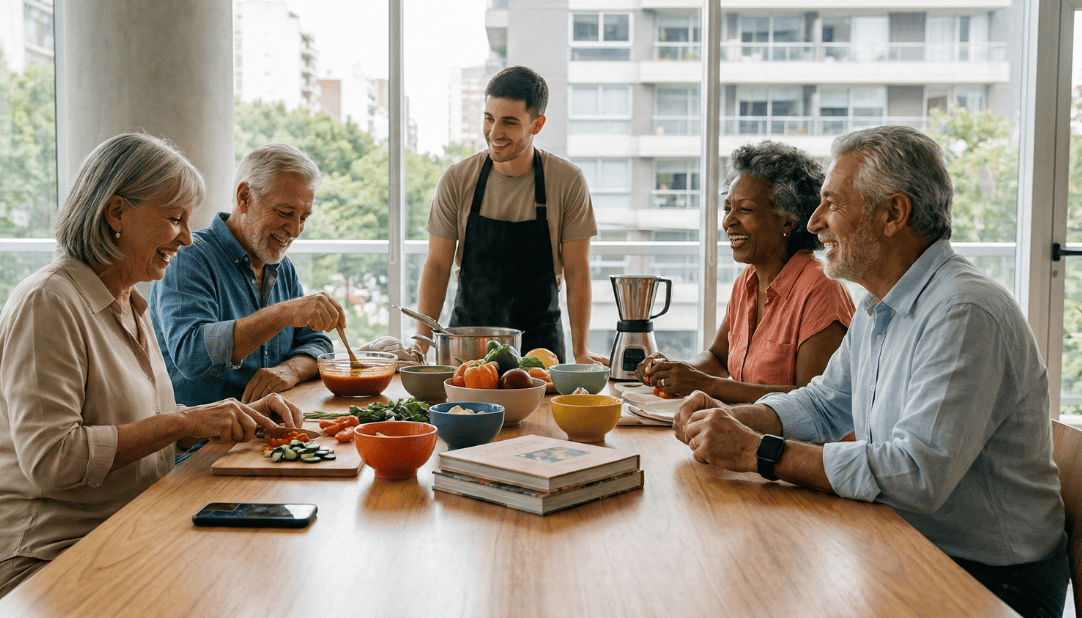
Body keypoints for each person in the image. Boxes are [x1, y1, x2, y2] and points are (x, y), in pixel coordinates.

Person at [675, 125, 1068, 618]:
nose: (814, 222)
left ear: (893, 214)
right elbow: (825, 401)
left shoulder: (963, 311)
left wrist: (759, 451)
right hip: (904, 540)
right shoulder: (879, 305)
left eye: (832, 203)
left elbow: (915, 474)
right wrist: (739, 417)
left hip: (990, 581)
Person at [0, 133, 304, 614]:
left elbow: (145, 420)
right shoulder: (48, 303)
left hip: (124, 526)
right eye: (174, 218)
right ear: (116, 212)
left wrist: (223, 415)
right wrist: (183, 424)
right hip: (39, 556)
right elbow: (52, 459)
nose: (187, 238)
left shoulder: (128, 301)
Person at [637, 141, 855, 404]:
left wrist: (703, 384)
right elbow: (718, 358)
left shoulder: (821, 288)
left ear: (788, 219)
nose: (728, 221)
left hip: (796, 444)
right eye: (728, 209)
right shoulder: (747, 282)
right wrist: (673, 371)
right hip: (747, 432)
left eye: (745, 209)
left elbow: (813, 402)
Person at [416, 66, 606, 364]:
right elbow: (438, 266)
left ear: (537, 124)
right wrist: (421, 346)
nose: (494, 133)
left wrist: (581, 350)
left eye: (509, 122)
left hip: (540, 347)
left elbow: (577, 270)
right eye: (489, 118)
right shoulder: (457, 179)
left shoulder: (567, 181)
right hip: (467, 345)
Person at [149, 143, 344, 406]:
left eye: (304, 217)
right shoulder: (189, 257)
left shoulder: (282, 267)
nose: (296, 230)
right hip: (205, 442)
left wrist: (291, 370)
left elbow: (317, 342)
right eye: (285, 213)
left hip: (269, 431)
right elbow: (191, 353)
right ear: (244, 198)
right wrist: (283, 313)